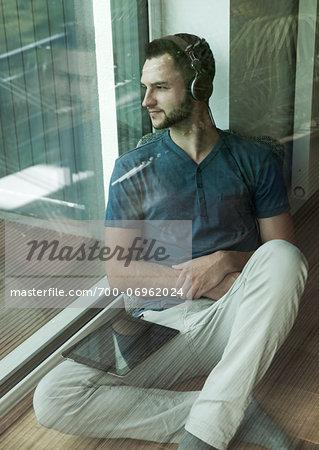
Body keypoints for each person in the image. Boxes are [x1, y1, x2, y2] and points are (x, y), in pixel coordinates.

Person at [33, 34, 308, 450]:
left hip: (230, 323)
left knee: (285, 258)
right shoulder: (131, 169)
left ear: (200, 87)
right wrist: (217, 277)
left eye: (159, 87)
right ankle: (223, 412)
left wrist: (223, 260)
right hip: (157, 326)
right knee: (53, 396)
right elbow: (123, 276)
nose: (146, 101)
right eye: (145, 87)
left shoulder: (254, 159)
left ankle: (204, 435)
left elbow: (280, 256)